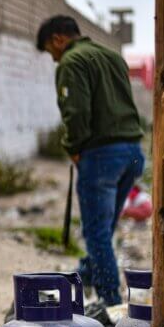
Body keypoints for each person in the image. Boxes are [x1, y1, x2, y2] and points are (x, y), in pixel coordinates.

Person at [37, 15, 145, 305]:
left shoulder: (72, 62)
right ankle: (85, 274)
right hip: (133, 152)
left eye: (51, 51)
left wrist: (73, 147)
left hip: (102, 155)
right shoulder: (111, 56)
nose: (54, 59)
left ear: (58, 39)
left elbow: (77, 114)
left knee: (97, 232)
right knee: (105, 224)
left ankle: (110, 302)